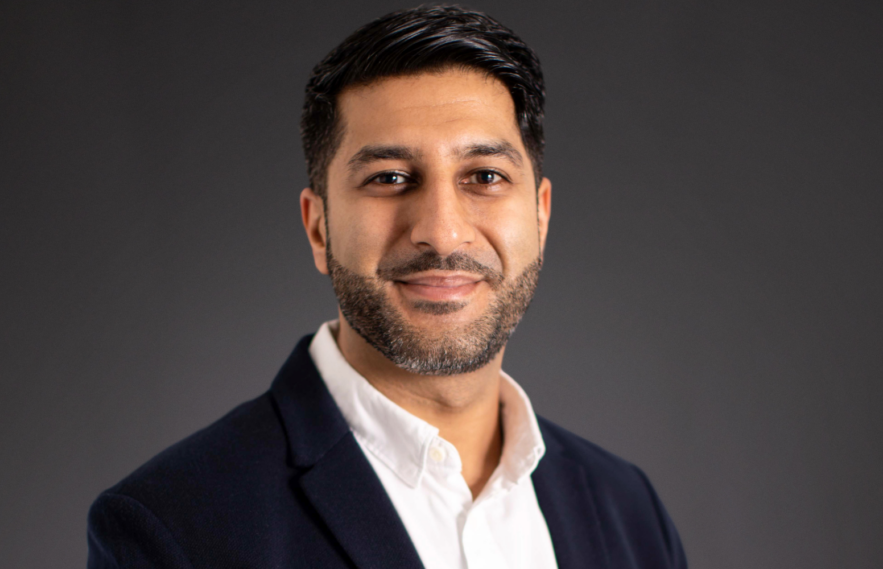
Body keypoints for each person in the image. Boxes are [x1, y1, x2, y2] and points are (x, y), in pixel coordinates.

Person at [87, 6, 687, 569]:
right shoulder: (172, 527)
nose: (442, 232)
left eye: (485, 176)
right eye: (390, 178)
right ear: (319, 227)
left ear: (540, 216)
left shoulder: (630, 511)